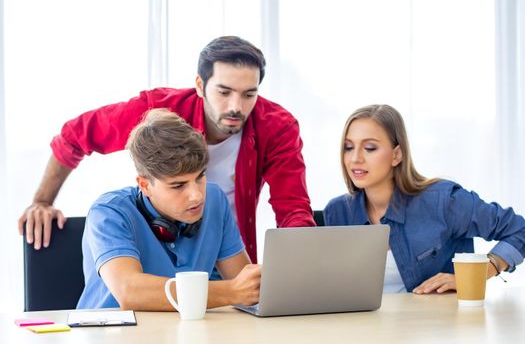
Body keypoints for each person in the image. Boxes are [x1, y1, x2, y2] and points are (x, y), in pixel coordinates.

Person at [18, 36, 314, 261]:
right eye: (224, 92)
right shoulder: (158, 110)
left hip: (227, 258)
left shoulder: (277, 126)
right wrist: (42, 201)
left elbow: (293, 208)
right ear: (200, 85)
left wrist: (299, 264)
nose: (236, 107)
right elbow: (75, 136)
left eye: (249, 94)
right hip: (158, 256)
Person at [323, 104, 525, 294]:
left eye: (370, 148)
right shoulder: (337, 212)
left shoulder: (444, 201)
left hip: (436, 328)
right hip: (362, 330)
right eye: (348, 147)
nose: (355, 158)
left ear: (397, 155)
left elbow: (519, 230)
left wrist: (478, 274)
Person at [77, 109, 260, 310]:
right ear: (145, 185)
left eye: (200, 177)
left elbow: (248, 289)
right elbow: (130, 292)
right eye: (178, 185)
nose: (197, 196)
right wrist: (231, 291)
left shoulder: (215, 199)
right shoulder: (108, 212)